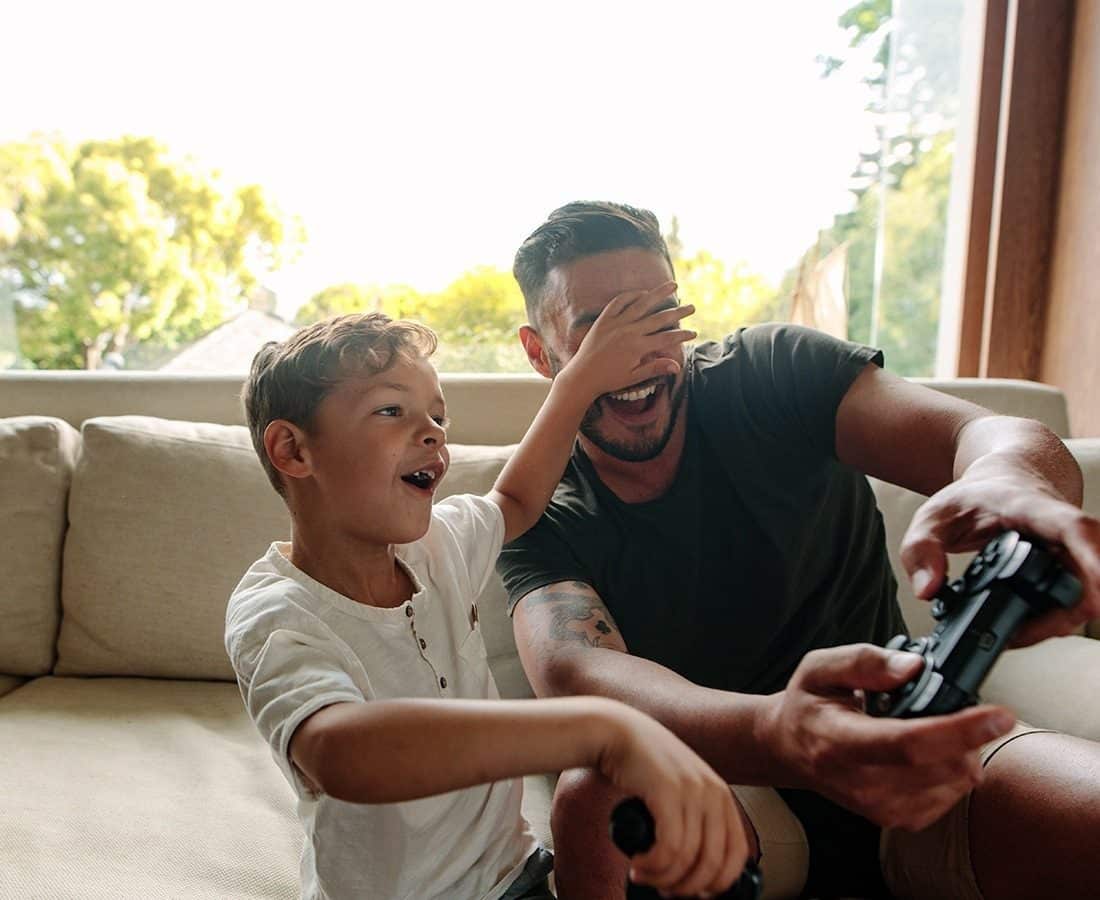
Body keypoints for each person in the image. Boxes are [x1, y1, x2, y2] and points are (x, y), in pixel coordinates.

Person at [498, 200, 1100, 899]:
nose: (640, 354)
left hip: (908, 739)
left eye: (657, 318)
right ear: (541, 353)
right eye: (601, 330)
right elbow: (576, 673)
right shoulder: (534, 501)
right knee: (602, 789)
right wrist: (781, 733)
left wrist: (1011, 477)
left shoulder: (770, 372)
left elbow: (990, 437)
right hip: (729, 781)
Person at [225, 308, 753, 900]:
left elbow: (517, 498)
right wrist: (598, 727)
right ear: (293, 450)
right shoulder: (277, 613)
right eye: (391, 410)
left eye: (438, 416)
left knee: (606, 790)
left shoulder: (438, 547)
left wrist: (580, 379)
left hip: (514, 877)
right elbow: (337, 753)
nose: (433, 432)